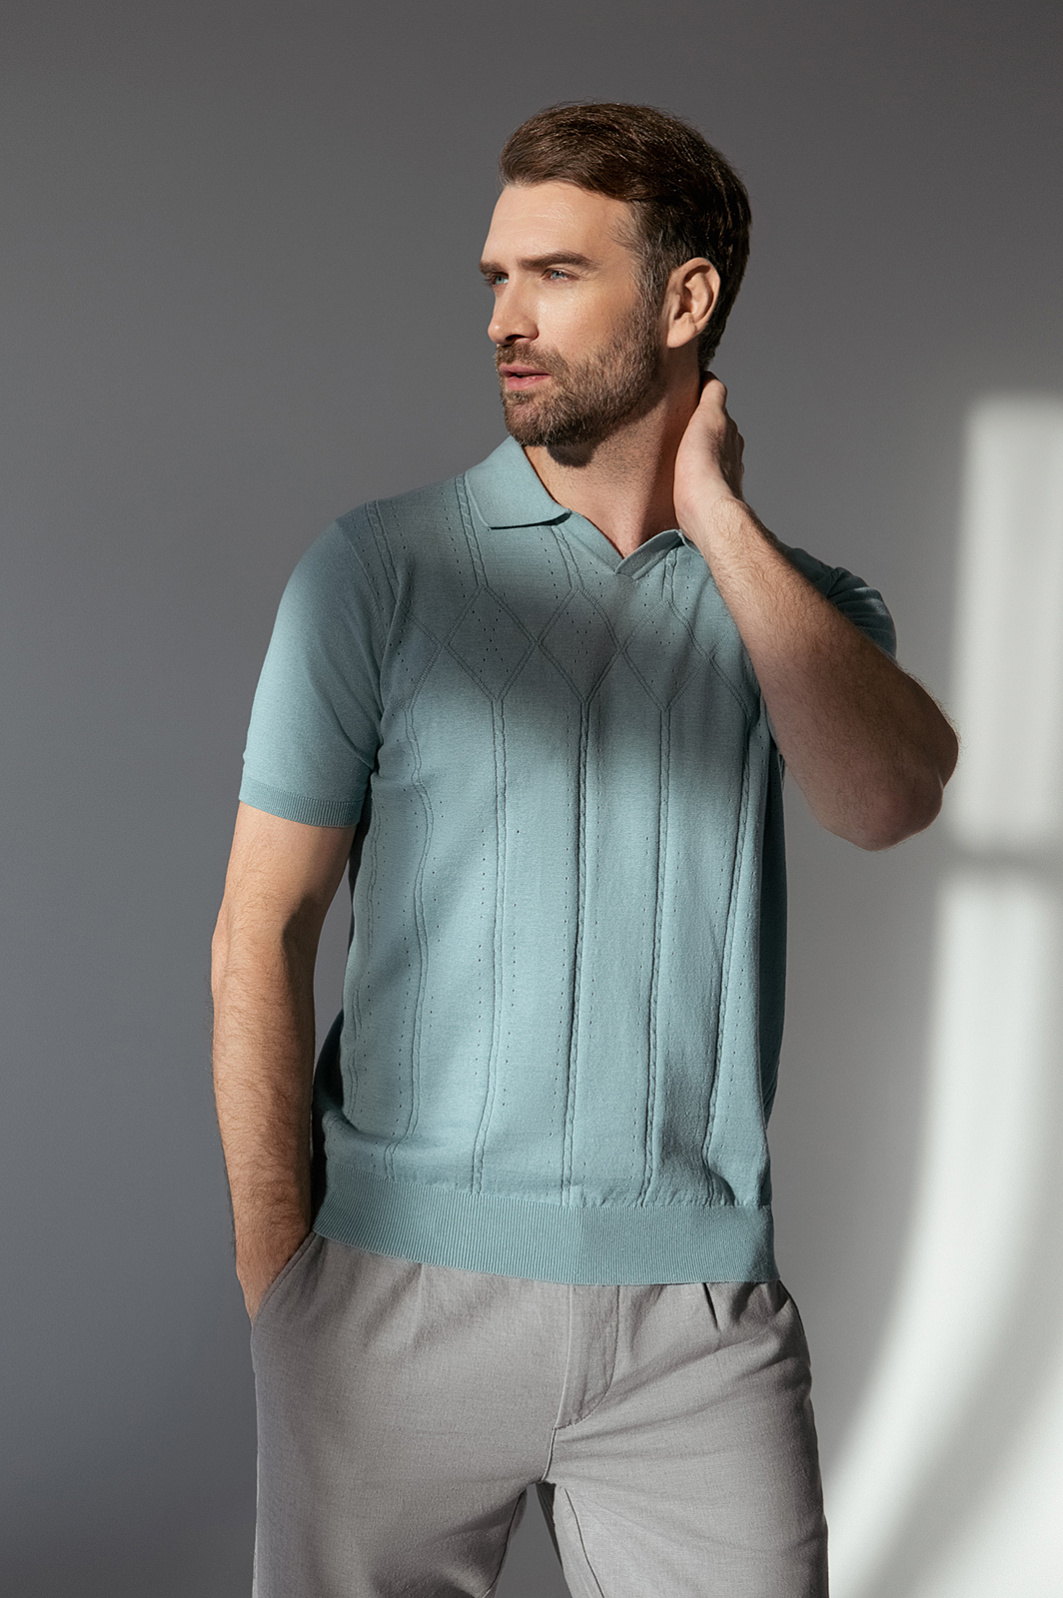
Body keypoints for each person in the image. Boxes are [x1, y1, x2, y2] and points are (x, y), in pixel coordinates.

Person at [211, 102, 958, 1598]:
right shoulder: (376, 573)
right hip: (388, 1300)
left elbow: (888, 797)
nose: (505, 318)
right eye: (496, 277)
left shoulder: (801, 609)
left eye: (556, 274)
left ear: (685, 302)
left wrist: (717, 517)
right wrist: (282, 1281)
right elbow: (261, 930)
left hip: (696, 1325)